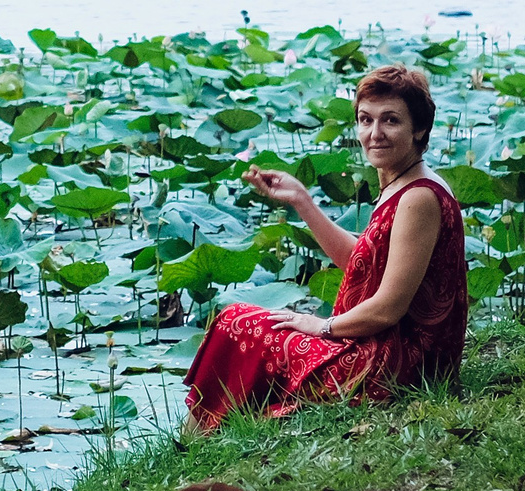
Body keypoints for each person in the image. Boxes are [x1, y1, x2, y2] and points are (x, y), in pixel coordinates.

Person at [183, 62, 468, 428]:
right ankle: (204, 434)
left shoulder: (418, 198)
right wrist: (301, 200)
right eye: (366, 120)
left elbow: (387, 309)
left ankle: (194, 440)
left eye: (391, 120)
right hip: (387, 348)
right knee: (240, 320)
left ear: (420, 129)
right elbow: (362, 262)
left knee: (239, 323)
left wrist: (320, 325)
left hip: (399, 367)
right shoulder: (403, 182)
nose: (374, 133)